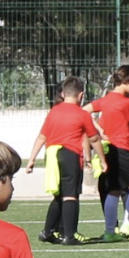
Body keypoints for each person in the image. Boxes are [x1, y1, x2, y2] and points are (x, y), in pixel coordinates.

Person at [24, 76, 98, 245]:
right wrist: (97, 158)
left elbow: (42, 136)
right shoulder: (81, 114)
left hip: (52, 155)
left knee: (59, 195)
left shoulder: (54, 112)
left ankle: (48, 232)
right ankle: (69, 236)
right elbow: (92, 139)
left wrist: (32, 159)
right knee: (71, 195)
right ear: (81, 95)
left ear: (63, 94)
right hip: (70, 154)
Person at [84, 66, 129, 242]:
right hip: (122, 148)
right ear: (127, 82)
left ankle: (110, 230)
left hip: (108, 148)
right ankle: (128, 224)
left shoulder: (105, 100)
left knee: (114, 190)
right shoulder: (125, 102)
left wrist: (98, 129)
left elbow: (84, 111)